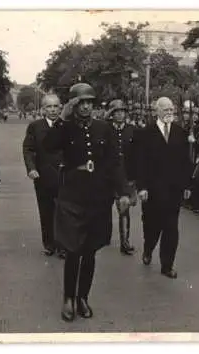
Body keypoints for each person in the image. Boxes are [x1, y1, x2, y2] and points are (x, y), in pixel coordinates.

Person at [43, 83, 130, 322]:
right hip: (72, 197)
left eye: (89, 102)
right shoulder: (65, 128)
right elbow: (47, 146)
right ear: (73, 105)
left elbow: (115, 162)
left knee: (90, 250)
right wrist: (61, 117)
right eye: (80, 103)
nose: (86, 106)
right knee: (73, 250)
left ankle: (83, 297)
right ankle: (68, 299)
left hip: (98, 197)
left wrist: (123, 192)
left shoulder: (105, 128)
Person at [136, 96, 193, 279]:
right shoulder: (146, 133)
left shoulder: (180, 132)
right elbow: (141, 162)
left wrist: (186, 185)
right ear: (157, 112)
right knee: (152, 225)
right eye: (165, 110)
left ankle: (167, 265)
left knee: (171, 227)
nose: (169, 113)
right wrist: (142, 187)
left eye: (171, 110)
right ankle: (148, 247)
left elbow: (186, 162)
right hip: (152, 190)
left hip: (173, 189)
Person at [22, 94, 65, 259]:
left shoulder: (67, 126)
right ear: (43, 109)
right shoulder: (35, 126)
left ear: (60, 108)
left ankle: (62, 246)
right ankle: (49, 244)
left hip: (63, 176)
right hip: (43, 176)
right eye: (49, 107)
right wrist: (31, 168)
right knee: (46, 211)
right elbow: (28, 149)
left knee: (63, 212)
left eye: (55, 106)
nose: (53, 110)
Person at [107, 99, 138, 255]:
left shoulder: (133, 130)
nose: (120, 115)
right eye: (116, 112)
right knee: (103, 209)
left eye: (122, 111)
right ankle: (103, 237)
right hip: (108, 176)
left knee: (124, 209)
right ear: (111, 115)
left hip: (126, 175)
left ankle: (124, 242)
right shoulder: (106, 130)